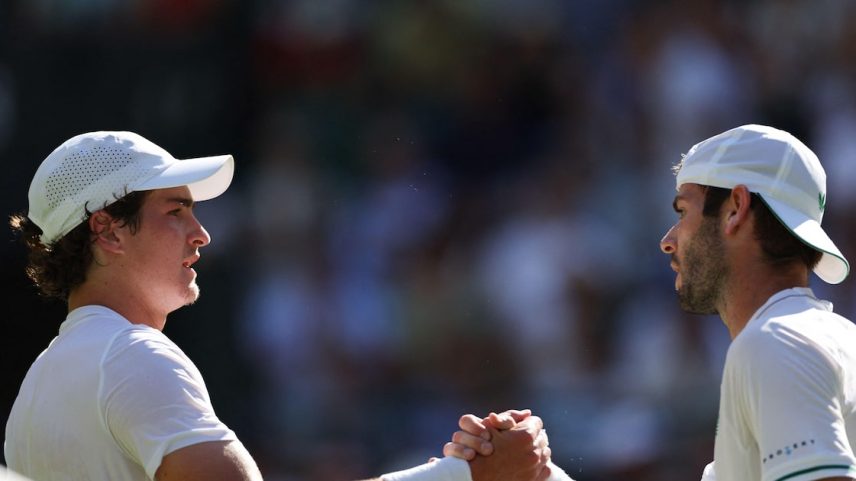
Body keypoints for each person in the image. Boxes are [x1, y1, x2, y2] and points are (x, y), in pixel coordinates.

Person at [4, 131, 554, 481]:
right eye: (175, 211)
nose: (202, 235)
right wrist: (467, 478)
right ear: (107, 232)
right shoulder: (130, 355)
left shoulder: (35, 393)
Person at [446, 124, 856, 481]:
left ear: (736, 209)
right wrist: (538, 477)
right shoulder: (820, 338)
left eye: (684, 210)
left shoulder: (774, 344)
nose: (668, 239)